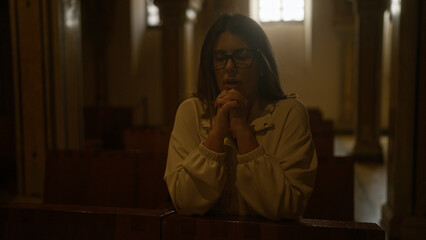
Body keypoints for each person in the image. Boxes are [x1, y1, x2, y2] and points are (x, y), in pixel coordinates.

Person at [164, 14, 317, 220]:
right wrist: (217, 133)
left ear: (262, 64)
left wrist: (243, 130)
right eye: (220, 58)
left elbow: (286, 206)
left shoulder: (289, 113)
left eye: (242, 55)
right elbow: (184, 201)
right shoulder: (190, 112)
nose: (229, 67)